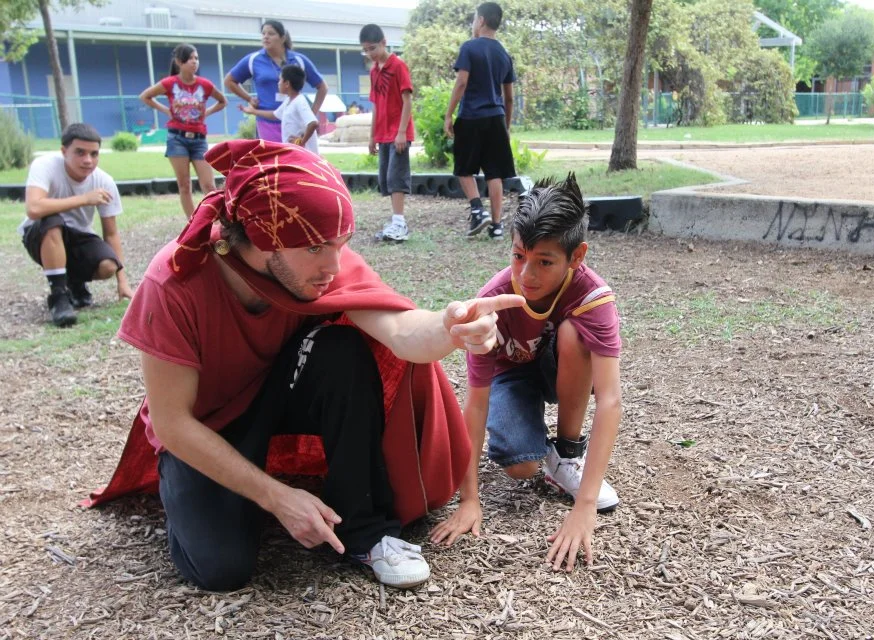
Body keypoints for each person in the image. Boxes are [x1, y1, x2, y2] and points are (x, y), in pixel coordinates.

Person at [85, 139, 524, 591]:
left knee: (341, 351)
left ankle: (364, 531)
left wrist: (450, 328)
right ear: (259, 237)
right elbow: (173, 422)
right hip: (206, 424)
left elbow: (399, 331)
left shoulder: (314, 254)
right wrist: (274, 496)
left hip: (277, 391)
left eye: (341, 244)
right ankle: (196, 494)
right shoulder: (174, 282)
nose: (333, 265)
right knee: (221, 569)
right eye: (315, 248)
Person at [430, 174, 622, 573]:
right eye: (519, 256)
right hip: (511, 375)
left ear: (577, 256)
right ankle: (543, 456)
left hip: (563, 367)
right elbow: (476, 400)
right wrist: (469, 499)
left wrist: (584, 506)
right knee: (521, 467)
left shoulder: (592, 296)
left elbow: (609, 399)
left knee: (573, 332)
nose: (526, 275)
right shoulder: (492, 301)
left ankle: (568, 453)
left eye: (544, 262)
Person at [18, 123, 134, 327]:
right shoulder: (44, 165)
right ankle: (59, 297)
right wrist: (84, 199)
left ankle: (74, 281)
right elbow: (34, 208)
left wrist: (122, 282)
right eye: (80, 152)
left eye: (94, 154)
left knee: (108, 266)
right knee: (53, 221)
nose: (88, 160)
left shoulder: (104, 181)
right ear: (64, 151)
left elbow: (111, 234)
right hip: (40, 235)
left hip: (77, 237)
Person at [444, 2, 516, 240]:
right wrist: (505, 125)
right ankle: (496, 227)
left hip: (472, 116)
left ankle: (477, 209)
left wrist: (449, 113)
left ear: (481, 20)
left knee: (464, 168)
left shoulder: (469, 48)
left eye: (474, 19)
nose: (473, 23)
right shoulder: (504, 54)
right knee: (494, 173)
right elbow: (509, 98)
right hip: (496, 117)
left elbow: (462, 82)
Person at [140, 43, 227, 219]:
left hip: (199, 138)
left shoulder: (205, 84)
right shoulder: (170, 83)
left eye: (196, 58)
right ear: (179, 62)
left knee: (209, 184)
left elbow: (222, 101)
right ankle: (192, 222)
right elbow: (145, 96)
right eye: (190, 59)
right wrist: (166, 110)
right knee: (184, 185)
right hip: (177, 138)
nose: (194, 62)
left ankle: (219, 220)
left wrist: (206, 113)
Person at [225, 20, 328, 142]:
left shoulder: (298, 60)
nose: (266, 37)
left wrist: (311, 113)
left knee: (294, 158)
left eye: (271, 33)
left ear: (282, 38)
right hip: (266, 123)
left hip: (295, 124)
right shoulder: (254, 60)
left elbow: (322, 87)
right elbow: (229, 81)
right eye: (263, 34)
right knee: (272, 158)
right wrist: (249, 98)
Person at [360, 23, 415, 243]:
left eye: (373, 48)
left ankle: (400, 223)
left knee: (396, 177)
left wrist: (401, 132)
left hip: (397, 133)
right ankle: (395, 220)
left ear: (383, 43)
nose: (370, 54)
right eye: (366, 50)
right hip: (382, 133)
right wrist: (372, 136)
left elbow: (407, 100)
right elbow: (375, 105)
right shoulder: (374, 71)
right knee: (386, 178)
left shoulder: (398, 65)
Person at [241, 64, 319, 155]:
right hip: (294, 153)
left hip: (305, 155)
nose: (278, 83)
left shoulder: (299, 102)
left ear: (287, 84)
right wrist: (253, 111)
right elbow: (274, 115)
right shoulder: (288, 101)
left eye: (280, 80)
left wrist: (301, 142)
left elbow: (313, 123)